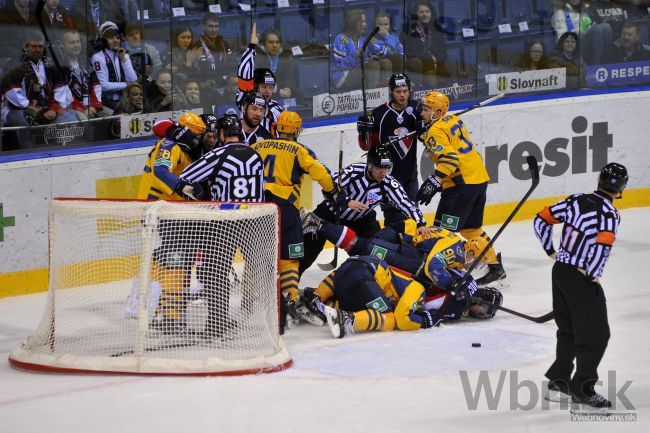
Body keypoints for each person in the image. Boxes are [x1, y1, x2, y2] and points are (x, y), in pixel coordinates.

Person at [533, 162, 628, 410]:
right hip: (580, 278)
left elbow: (541, 219)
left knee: (569, 330)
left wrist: (551, 251)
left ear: (599, 181)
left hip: (560, 273)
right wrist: (593, 273)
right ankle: (582, 389)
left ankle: (559, 380)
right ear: (621, 188)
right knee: (597, 335)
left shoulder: (575, 199)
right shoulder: (609, 213)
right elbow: (602, 245)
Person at [179, 114, 265, 337]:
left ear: (221, 134)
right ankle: (276, 320)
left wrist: (200, 192)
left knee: (214, 273)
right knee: (261, 270)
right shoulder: (256, 154)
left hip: (225, 222)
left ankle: (217, 324)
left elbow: (186, 176)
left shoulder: (218, 154)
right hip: (256, 220)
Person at [251, 111, 336, 332]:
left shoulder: (258, 146)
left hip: (258, 210)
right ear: (297, 130)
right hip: (286, 210)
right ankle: (289, 300)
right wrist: (331, 190)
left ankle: (257, 302)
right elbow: (321, 173)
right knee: (289, 260)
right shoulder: (299, 150)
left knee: (261, 259)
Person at [417, 91, 506, 287]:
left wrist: (434, 180)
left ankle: (438, 272)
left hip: (461, 185)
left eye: (425, 109)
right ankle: (494, 267)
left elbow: (449, 159)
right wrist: (425, 134)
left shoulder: (436, 130)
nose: (421, 113)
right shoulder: (452, 119)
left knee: (442, 232)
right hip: (478, 178)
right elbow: (448, 143)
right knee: (472, 229)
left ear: (437, 111)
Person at [300, 145, 429, 275]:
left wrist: (421, 223)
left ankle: (372, 280)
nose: (383, 172)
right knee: (307, 252)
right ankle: (289, 287)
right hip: (329, 213)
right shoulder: (354, 171)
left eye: (386, 167)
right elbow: (329, 186)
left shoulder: (389, 184)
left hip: (361, 219)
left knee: (377, 248)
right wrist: (346, 201)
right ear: (370, 165)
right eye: (379, 167)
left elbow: (405, 203)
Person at [134, 112, 207, 329]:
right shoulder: (170, 146)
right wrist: (181, 187)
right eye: (196, 134)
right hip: (162, 209)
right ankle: (171, 316)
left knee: (166, 256)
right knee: (178, 258)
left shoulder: (179, 148)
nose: (197, 140)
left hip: (166, 210)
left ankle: (156, 306)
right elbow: (160, 170)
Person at [357, 73, 424, 226]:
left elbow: (425, 139)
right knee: (394, 223)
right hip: (386, 178)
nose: (402, 95)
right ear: (391, 92)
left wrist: (425, 129)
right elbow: (366, 146)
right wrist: (362, 132)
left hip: (410, 177)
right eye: (398, 91)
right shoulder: (378, 114)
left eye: (405, 91)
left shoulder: (417, 109)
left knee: (413, 219)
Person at [2, 31, 76, 133]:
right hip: (18, 110)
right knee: (28, 122)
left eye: (40, 47)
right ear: (25, 47)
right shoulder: (14, 66)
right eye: (34, 46)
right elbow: (13, 95)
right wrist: (38, 111)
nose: (37, 50)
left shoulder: (51, 65)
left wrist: (53, 109)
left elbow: (60, 88)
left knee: (71, 118)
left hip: (47, 108)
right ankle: (29, 149)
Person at [236, 23, 283, 136]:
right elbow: (244, 72)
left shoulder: (277, 108)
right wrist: (252, 46)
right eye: (263, 87)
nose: (267, 91)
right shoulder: (246, 100)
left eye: (270, 87)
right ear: (255, 86)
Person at [59, 28, 108, 120]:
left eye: (78, 42)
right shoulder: (60, 65)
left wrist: (94, 106)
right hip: (72, 108)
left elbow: (96, 85)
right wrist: (83, 109)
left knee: (112, 116)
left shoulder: (86, 61)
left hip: (91, 106)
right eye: (72, 43)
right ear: (62, 45)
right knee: (84, 120)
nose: (76, 45)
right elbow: (65, 93)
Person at [330, 9, 383, 91]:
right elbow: (340, 66)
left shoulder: (362, 39)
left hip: (358, 71)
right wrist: (354, 56)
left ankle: (387, 93)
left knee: (385, 62)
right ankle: (373, 95)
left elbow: (365, 58)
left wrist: (371, 57)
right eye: (362, 22)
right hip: (342, 76)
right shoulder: (341, 39)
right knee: (373, 66)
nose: (365, 24)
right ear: (353, 23)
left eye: (365, 21)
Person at [90, 21, 137, 110]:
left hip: (124, 99)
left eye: (117, 37)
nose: (115, 40)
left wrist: (123, 60)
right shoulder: (97, 58)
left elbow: (133, 79)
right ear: (103, 40)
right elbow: (103, 86)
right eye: (111, 38)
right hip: (105, 101)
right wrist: (126, 85)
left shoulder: (124, 55)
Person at [403, 0, 449, 88]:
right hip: (418, 63)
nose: (425, 14)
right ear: (415, 14)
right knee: (428, 64)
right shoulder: (409, 29)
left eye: (427, 11)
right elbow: (410, 51)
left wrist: (437, 59)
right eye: (421, 12)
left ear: (431, 13)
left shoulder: (436, 29)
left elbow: (443, 51)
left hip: (436, 62)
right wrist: (429, 57)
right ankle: (430, 91)